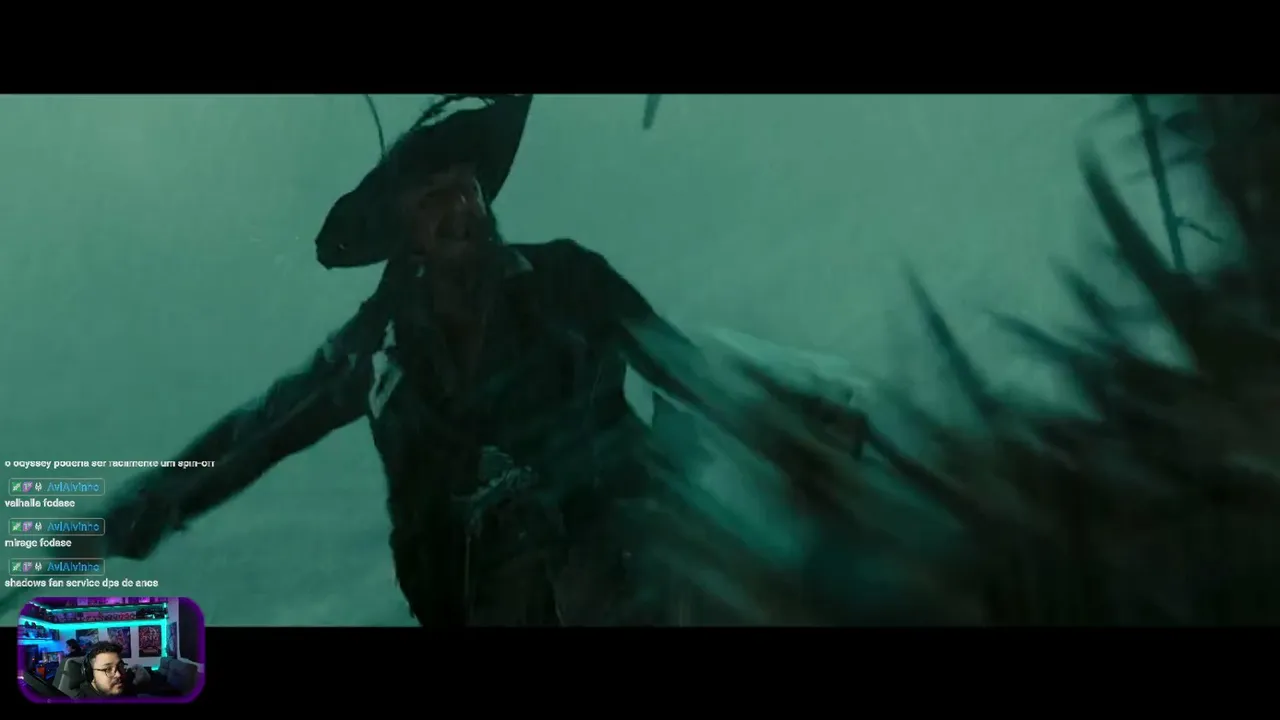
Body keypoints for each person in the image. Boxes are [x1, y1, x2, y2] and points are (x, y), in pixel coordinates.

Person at [99, 94, 706, 627]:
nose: (461, 209)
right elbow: (259, 431)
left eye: (468, 189)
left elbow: (688, 373)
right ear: (405, 228)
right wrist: (134, 513)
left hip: (622, 582)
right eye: (435, 198)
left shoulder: (571, 280)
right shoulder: (377, 346)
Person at [75, 642, 149, 699]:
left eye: (120, 666)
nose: (118, 675)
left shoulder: (127, 692)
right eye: (108, 669)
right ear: (91, 674)